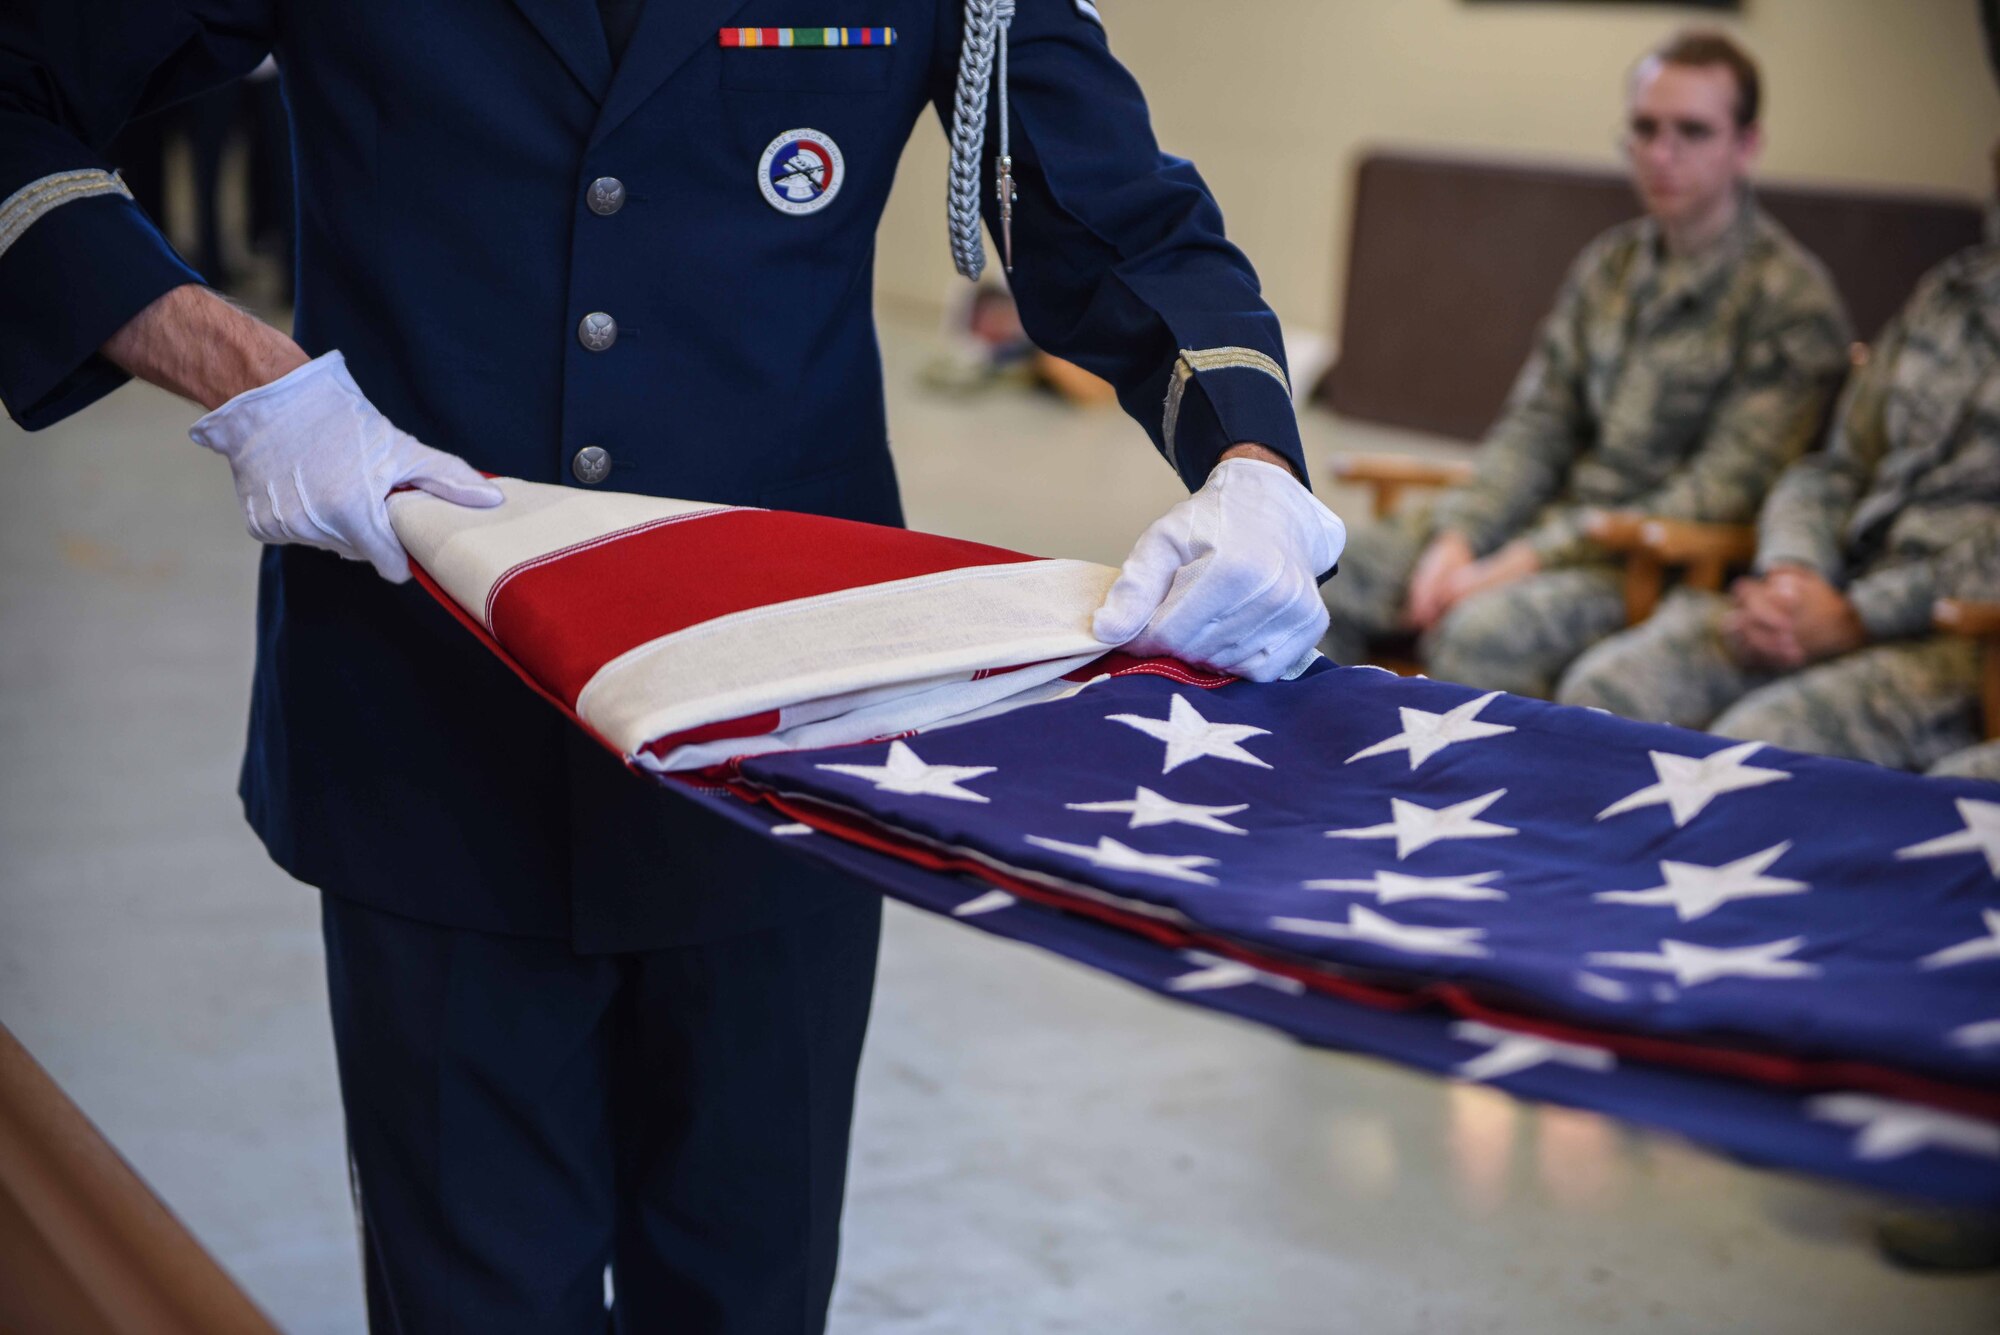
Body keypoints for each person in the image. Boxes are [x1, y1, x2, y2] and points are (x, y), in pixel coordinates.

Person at [0, 3, 1343, 1331]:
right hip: (433, 730)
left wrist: (1255, 463)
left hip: (786, 742)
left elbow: (1108, 204)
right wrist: (242, 369)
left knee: (744, 1298)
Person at [1319, 29, 1851, 698]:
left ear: (1746, 146)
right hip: (1545, 525)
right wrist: (1462, 535)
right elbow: (1537, 427)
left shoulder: (1790, 302)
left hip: (1648, 559)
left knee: (1478, 635)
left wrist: (1522, 559)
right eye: (1645, 128)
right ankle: (1320, 784)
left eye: (1692, 131)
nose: (1662, 153)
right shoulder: (1610, 267)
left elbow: (1720, 492)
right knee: (1318, 578)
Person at [1555, 177, 2000, 771]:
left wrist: (1860, 616)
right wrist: (1793, 573)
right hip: (1828, 588)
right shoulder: (1951, 296)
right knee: (1604, 691)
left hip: (1961, 640)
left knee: (1754, 752)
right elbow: (1833, 470)